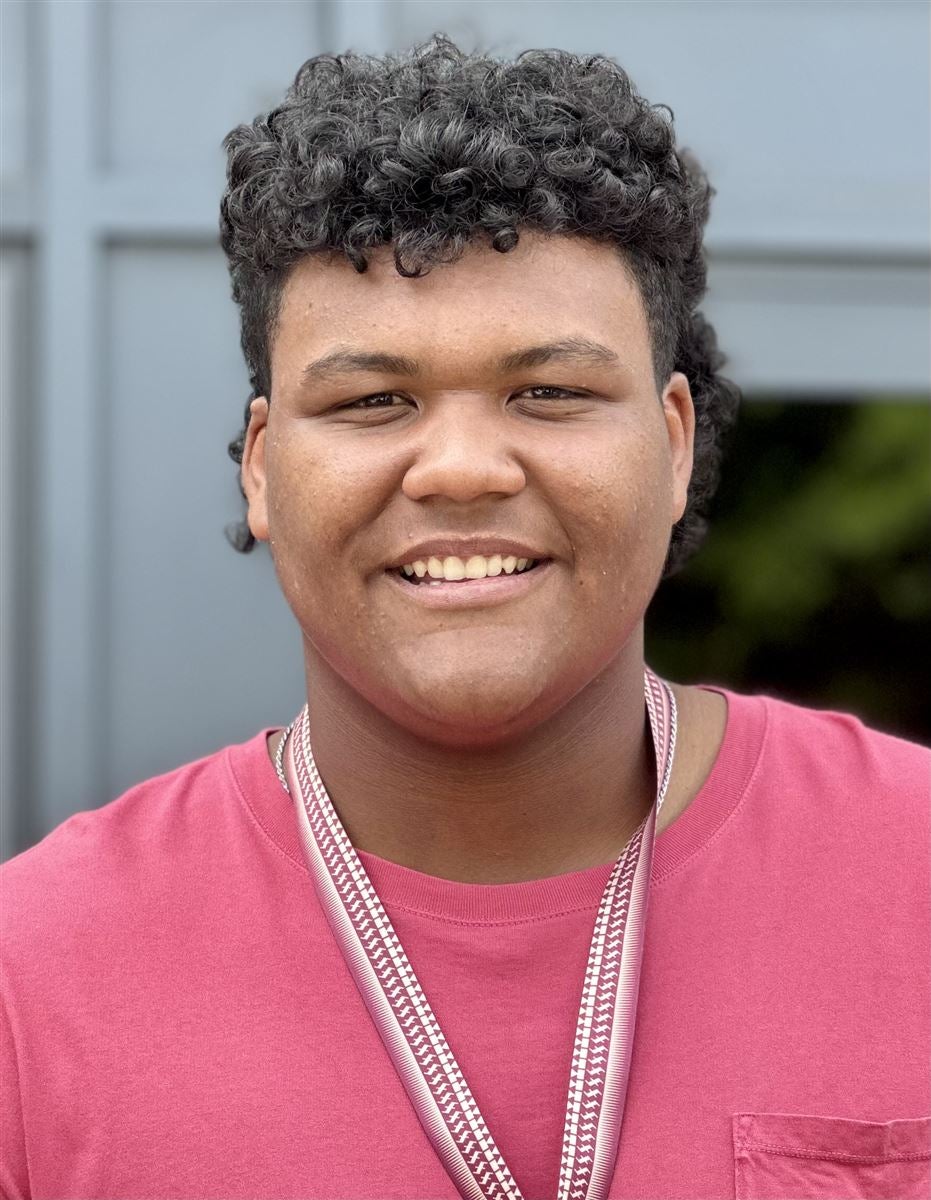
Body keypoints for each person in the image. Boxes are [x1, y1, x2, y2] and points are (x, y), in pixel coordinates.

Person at [1, 34, 927, 1200]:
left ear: (674, 443)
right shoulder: (35, 976)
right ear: (262, 468)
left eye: (548, 392)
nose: (461, 469)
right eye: (373, 400)